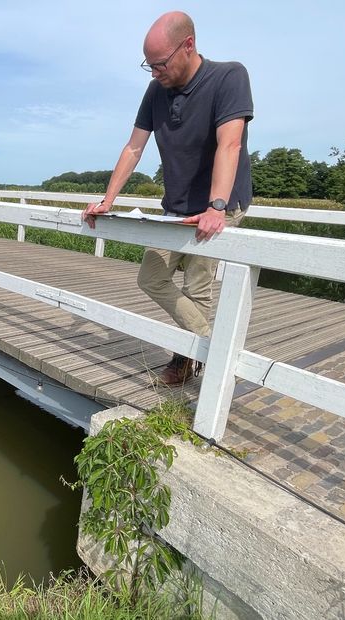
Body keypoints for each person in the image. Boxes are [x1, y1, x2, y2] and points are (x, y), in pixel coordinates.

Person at [81, 11, 253, 386]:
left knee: (197, 286)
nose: (154, 72)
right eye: (149, 65)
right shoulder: (156, 90)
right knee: (151, 277)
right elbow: (133, 147)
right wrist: (107, 200)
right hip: (175, 206)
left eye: (160, 64)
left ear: (188, 45)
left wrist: (216, 206)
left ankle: (189, 359)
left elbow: (231, 143)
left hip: (219, 205)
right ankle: (213, 348)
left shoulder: (229, 76)